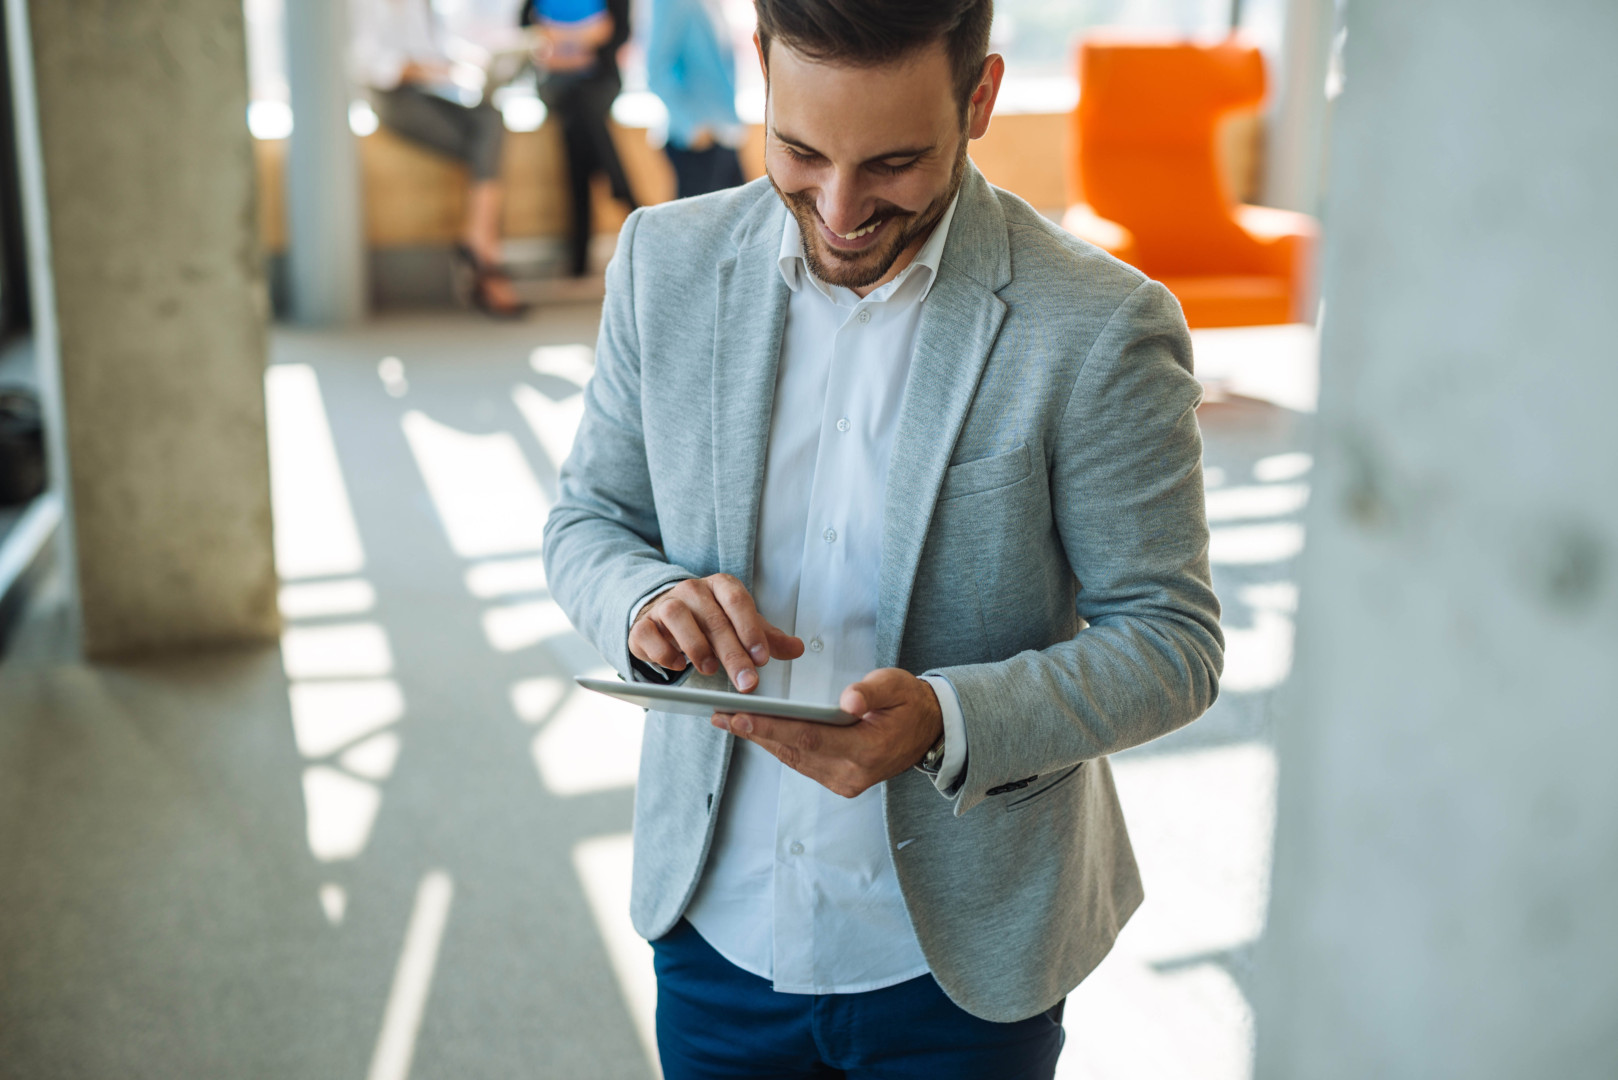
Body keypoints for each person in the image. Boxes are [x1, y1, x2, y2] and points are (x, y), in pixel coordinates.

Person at [542, 0, 1224, 1075]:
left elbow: (1171, 641)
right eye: (800, 151)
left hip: (961, 960)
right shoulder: (661, 261)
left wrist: (949, 719)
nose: (840, 207)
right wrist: (642, 601)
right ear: (760, 65)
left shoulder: (1096, 323)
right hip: (715, 930)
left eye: (894, 163)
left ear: (980, 98)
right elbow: (590, 517)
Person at [350, 0, 529, 317]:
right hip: (393, 97)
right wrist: (432, 70)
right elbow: (370, 65)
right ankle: (484, 254)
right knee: (485, 144)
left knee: (491, 121)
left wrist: (471, 64)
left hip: (433, 90)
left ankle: (479, 246)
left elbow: (436, 47)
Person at [524, 0, 639, 277]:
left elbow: (618, 33)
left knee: (580, 130)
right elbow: (526, 33)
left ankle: (578, 259)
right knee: (585, 116)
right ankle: (620, 187)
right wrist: (584, 37)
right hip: (556, 85)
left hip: (598, 82)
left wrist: (559, 37)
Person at [646, 0, 748, 199]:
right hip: (696, 138)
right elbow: (656, 68)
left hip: (724, 130)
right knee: (693, 223)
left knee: (743, 215)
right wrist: (691, 126)